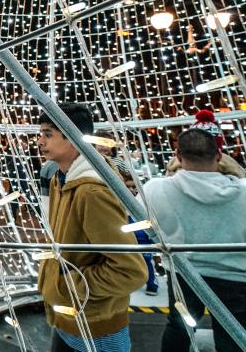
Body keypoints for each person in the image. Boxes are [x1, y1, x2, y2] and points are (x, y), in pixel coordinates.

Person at [36, 103, 147, 352]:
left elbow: (131, 271)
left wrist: (67, 286)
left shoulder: (92, 192)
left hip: (97, 328)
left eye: (48, 134)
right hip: (66, 318)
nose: (40, 141)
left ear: (74, 137)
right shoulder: (60, 179)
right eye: (40, 133)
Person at [142, 128, 246, 352]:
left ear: (178, 156)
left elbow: (143, 223)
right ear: (219, 155)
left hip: (183, 273)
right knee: (232, 335)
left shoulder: (155, 189)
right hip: (236, 277)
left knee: (179, 329)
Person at [121, 171, 159, 296]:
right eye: (128, 187)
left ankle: (152, 283)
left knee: (146, 260)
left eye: (134, 187)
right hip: (125, 235)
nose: (132, 190)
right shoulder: (119, 201)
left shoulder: (145, 202)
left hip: (142, 236)